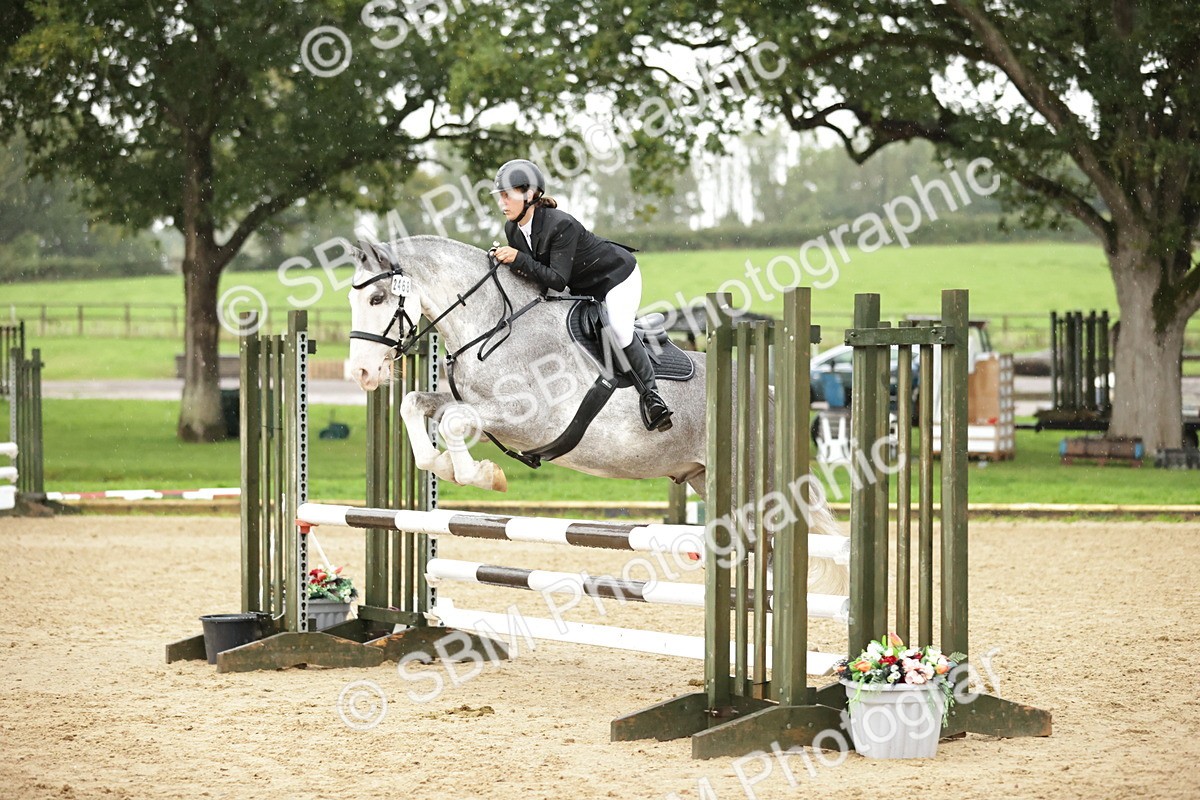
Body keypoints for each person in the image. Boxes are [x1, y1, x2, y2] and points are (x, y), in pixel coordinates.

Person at [490, 159, 673, 432]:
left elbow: (557, 279)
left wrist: (517, 259)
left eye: (508, 195)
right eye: (500, 197)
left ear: (529, 194)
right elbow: (535, 279)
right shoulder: (512, 230)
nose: (502, 202)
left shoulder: (560, 225)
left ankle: (652, 396)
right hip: (583, 290)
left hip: (616, 278)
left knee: (620, 330)